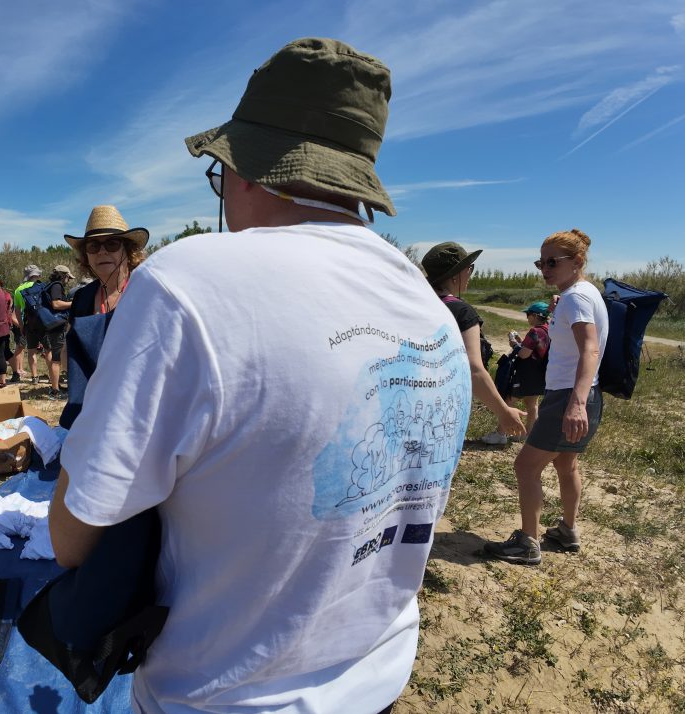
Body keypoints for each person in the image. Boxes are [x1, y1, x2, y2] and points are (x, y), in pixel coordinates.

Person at [50, 38, 473, 713]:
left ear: (245, 169)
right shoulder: (428, 308)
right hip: (379, 676)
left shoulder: (187, 284)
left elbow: (74, 537)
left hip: (226, 691)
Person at [485, 229, 607, 565]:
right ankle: (567, 531)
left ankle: (528, 543)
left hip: (571, 396)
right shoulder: (583, 293)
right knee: (567, 465)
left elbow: (590, 349)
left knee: (525, 467)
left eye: (552, 262)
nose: (544, 268)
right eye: (541, 262)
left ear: (577, 261)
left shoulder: (576, 298)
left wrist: (576, 403)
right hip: (582, 393)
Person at [422, 243, 526, 442]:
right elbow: (473, 369)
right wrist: (503, 411)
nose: (470, 273)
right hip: (442, 405)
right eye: (469, 268)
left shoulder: (414, 302)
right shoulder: (462, 312)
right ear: (455, 275)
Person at [480, 301, 550, 445]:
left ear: (536, 316)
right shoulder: (549, 329)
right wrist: (521, 341)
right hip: (540, 375)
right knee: (532, 404)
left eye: (528, 314)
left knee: (510, 401)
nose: (527, 318)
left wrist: (514, 343)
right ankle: (528, 435)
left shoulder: (535, 331)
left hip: (526, 374)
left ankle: (500, 434)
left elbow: (524, 354)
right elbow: (536, 349)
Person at [65, 205, 149, 322]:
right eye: (94, 246)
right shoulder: (81, 298)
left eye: (112, 244)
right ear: (86, 255)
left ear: (129, 251)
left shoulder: (149, 293)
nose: (102, 252)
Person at [31, 265, 73, 400]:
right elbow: (56, 304)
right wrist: (74, 303)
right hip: (57, 326)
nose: (68, 280)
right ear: (63, 275)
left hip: (53, 325)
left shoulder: (51, 285)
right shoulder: (57, 286)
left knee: (57, 357)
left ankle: (56, 387)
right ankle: (55, 391)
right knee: (57, 359)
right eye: (68, 277)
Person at [11, 264, 43, 384]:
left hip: (28, 323)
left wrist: (22, 325)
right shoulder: (41, 286)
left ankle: (34, 377)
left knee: (31, 350)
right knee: (49, 350)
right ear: (37, 275)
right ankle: (52, 377)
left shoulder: (19, 290)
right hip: (43, 322)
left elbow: (17, 311)